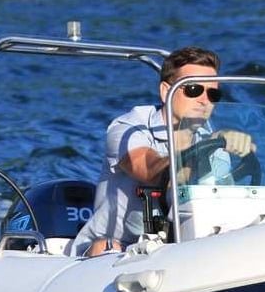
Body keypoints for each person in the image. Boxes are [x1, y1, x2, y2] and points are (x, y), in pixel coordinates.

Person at [72, 46, 255, 256]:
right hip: (112, 248)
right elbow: (149, 171)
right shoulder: (128, 128)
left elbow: (220, 201)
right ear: (166, 92)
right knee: (107, 246)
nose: (204, 100)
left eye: (213, 93)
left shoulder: (212, 142)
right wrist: (202, 150)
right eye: (193, 89)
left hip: (176, 246)